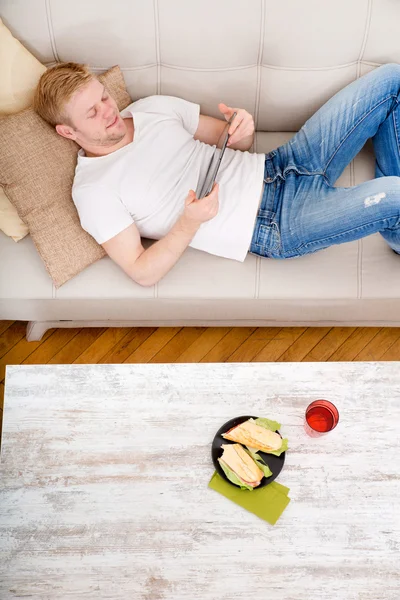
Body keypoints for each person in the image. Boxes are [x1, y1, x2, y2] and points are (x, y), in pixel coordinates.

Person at [33, 61, 400, 287]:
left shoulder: (153, 109)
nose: (108, 111)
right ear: (67, 131)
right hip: (275, 224)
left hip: (282, 163)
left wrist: (242, 128)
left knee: (391, 79)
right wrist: (187, 224)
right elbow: (142, 272)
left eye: (103, 98)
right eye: (91, 113)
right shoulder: (93, 189)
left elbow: (233, 140)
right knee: (396, 195)